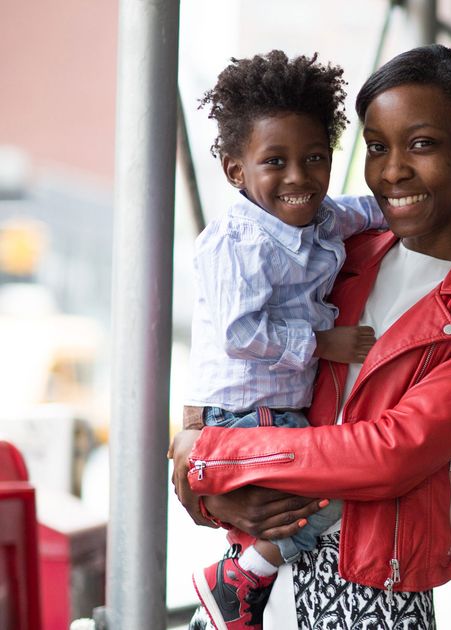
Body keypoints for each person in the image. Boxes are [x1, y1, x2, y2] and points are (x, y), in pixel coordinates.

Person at [171, 44, 451, 629]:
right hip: (246, 590)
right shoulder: (337, 252)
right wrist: (206, 486)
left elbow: (393, 452)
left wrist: (209, 458)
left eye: (422, 144)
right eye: (377, 147)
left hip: (372, 594)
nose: (392, 170)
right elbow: (232, 368)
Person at [184, 50, 388, 630]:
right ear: (235, 171)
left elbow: (373, 211)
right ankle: (240, 578)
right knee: (335, 496)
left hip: (281, 408)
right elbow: (239, 332)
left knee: (303, 503)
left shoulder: (321, 216)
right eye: (276, 161)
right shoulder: (237, 242)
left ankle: (237, 585)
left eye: (315, 158)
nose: (299, 176)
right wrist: (324, 342)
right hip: (244, 414)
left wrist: (449, 205)